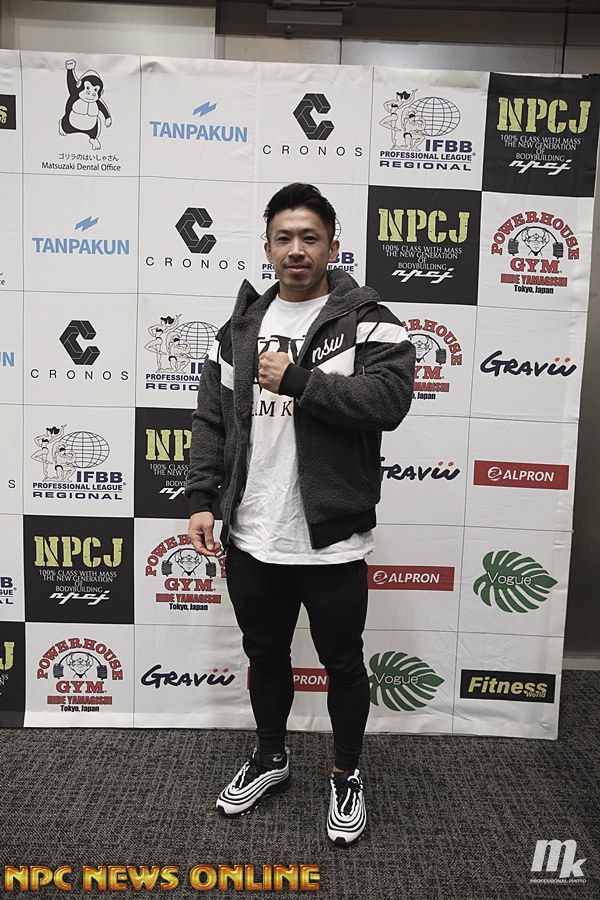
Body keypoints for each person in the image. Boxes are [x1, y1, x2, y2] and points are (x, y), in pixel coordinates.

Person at [185, 182, 415, 846]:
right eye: (283, 238)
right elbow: (211, 421)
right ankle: (270, 757)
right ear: (267, 249)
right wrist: (201, 500)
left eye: (309, 237)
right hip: (253, 532)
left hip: (331, 539)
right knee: (265, 654)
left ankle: (346, 773)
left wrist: (300, 382)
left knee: (343, 661)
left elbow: (389, 401)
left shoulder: (370, 320)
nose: (296, 250)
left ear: (332, 247)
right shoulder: (240, 330)